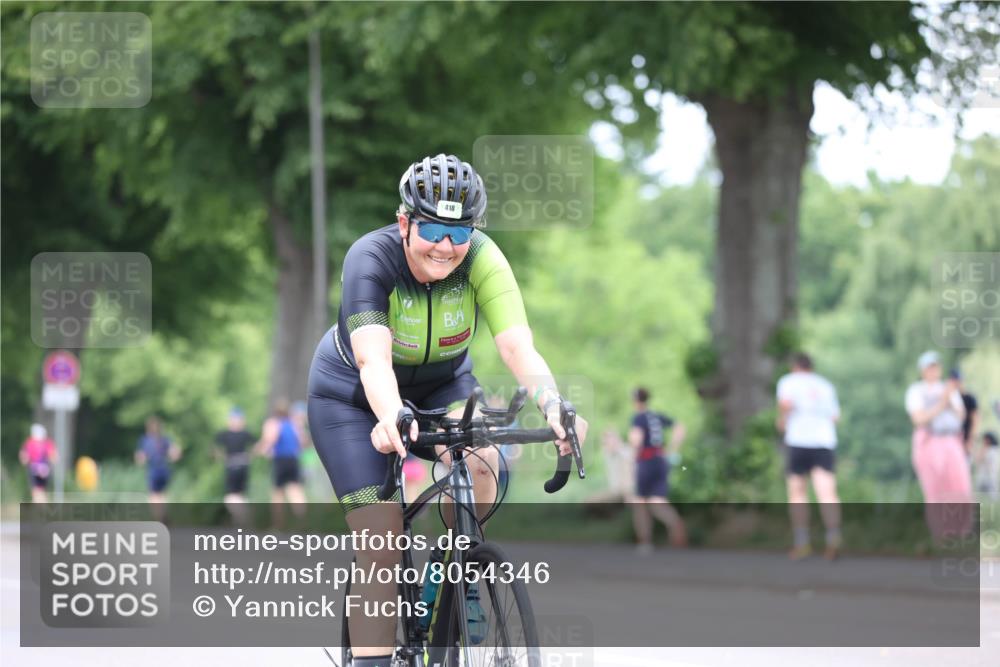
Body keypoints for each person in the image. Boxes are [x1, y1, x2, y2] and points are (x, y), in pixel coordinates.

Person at [306, 154, 588, 666]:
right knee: (381, 538)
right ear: (404, 221)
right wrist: (391, 414)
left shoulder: (481, 256)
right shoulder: (371, 259)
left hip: (442, 385)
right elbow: (372, 359)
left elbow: (517, 346)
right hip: (351, 396)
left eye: (459, 232)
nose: (445, 245)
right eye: (432, 227)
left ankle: (462, 571)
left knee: (483, 461)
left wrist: (553, 403)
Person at [775, 353, 842, 561]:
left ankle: (802, 542)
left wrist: (782, 420)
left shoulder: (788, 382)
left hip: (799, 440)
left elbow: (785, 405)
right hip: (823, 441)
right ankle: (833, 537)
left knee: (797, 492)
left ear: (794, 367)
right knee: (827, 492)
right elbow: (835, 416)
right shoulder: (825, 385)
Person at [905, 351, 973, 542]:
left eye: (935, 367)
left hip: (951, 441)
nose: (933, 371)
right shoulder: (916, 390)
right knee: (935, 489)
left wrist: (951, 396)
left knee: (960, 487)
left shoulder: (948, 389)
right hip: (928, 441)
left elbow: (961, 416)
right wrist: (942, 402)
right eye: (929, 367)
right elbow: (919, 419)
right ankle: (941, 535)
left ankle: (962, 532)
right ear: (922, 370)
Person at [628, 387, 686, 554]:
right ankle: (674, 524)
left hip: (645, 461)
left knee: (640, 502)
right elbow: (680, 428)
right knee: (657, 501)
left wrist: (633, 457)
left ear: (635, 401)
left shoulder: (638, 418)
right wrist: (672, 448)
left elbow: (636, 440)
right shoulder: (657, 416)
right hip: (661, 459)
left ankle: (644, 541)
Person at [255, 399, 308, 522]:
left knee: (277, 493)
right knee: (295, 490)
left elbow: (271, 438)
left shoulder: (273, 423)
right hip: (293, 459)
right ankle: (303, 521)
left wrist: (262, 450)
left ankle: (278, 524)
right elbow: (303, 441)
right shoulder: (294, 423)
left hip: (280, 460)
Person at [135, 416, 181, 513]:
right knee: (162, 495)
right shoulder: (164, 439)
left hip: (154, 470)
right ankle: (163, 515)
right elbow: (175, 452)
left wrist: (140, 460)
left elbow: (141, 457)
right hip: (165, 469)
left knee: (153, 496)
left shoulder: (145, 440)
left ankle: (159, 518)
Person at [215, 407, 255, 506]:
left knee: (231, 496)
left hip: (233, 464)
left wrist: (222, 457)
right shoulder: (245, 433)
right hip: (242, 464)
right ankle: (242, 517)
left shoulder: (226, 434)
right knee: (239, 494)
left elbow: (215, 448)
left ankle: (242, 516)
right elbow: (256, 446)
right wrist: (250, 456)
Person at [19, 424, 57, 504]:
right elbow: (53, 457)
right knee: (41, 491)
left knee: (37, 491)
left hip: (36, 470)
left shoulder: (30, 443)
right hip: (43, 470)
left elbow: (24, 458)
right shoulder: (46, 443)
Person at [950, 369, 979, 457]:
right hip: (951, 439)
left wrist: (970, 440)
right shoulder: (949, 398)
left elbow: (975, 421)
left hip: (965, 439)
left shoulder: (969, 398)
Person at [974, 431, 999, 499]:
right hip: (984, 474)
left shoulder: (992, 450)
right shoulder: (988, 449)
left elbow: (979, 459)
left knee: (991, 492)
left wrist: (983, 449)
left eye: (985, 439)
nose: (983, 441)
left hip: (989, 474)